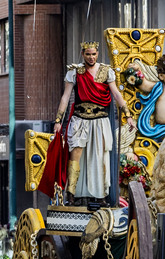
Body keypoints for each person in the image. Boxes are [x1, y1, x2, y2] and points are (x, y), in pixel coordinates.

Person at [52, 40, 129, 202]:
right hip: (79, 120)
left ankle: (100, 195)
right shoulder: (75, 72)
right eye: (88, 54)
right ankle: (71, 194)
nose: (91, 57)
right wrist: (58, 120)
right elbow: (65, 97)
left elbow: (116, 94)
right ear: (83, 54)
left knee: (100, 157)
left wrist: (128, 115)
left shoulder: (107, 72)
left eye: (94, 54)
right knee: (75, 156)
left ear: (98, 54)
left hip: (100, 121)